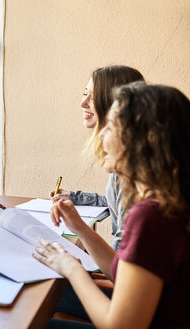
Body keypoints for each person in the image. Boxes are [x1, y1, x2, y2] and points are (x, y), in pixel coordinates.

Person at [35, 82, 190, 328]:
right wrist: (79, 227)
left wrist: (72, 268)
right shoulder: (168, 204)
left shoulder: (152, 216)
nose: (101, 134)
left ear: (144, 140)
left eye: (111, 126)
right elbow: (123, 272)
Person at [50, 65, 144, 250]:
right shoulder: (128, 160)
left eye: (92, 97)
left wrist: (74, 268)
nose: (83, 103)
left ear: (115, 104)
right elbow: (117, 203)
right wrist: (75, 197)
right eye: (84, 93)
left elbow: (123, 253)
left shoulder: (129, 170)